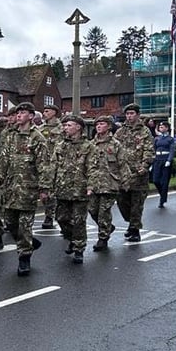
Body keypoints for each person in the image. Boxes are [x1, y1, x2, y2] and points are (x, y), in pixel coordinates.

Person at [0, 102, 52, 274]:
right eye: (18, 112)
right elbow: (2, 163)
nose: (19, 115)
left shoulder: (37, 138)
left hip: (27, 190)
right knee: (10, 223)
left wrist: (44, 189)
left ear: (30, 116)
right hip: (10, 189)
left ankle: (24, 258)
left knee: (24, 226)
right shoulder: (10, 135)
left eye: (23, 113)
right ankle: (29, 243)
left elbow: (44, 165)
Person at [51, 115, 95, 263]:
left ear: (78, 127)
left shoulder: (88, 146)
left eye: (69, 125)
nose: (65, 128)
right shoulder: (60, 145)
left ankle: (79, 248)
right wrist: (48, 184)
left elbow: (92, 168)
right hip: (62, 188)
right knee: (61, 219)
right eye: (64, 125)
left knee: (79, 221)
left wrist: (90, 186)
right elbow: (53, 166)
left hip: (79, 190)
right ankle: (72, 239)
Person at [87, 116, 130, 251]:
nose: (99, 126)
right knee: (92, 210)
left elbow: (123, 164)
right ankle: (108, 227)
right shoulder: (90, 144)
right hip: (93, 184)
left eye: (102, 124)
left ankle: (103, 238)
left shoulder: (115, 144)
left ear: (109, 126)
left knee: (104, 212)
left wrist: (125, 182)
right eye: (97, 124)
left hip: (110, 183)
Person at [114, 103, 154, 240]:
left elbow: (148, 150)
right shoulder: (120, 131)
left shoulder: (145, 131)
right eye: (127, 114)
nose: (129, 116)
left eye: (132, 113)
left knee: (136, 203)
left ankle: (135, 229)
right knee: (122, 201)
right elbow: (114, 148)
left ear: (137, 115)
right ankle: (131, 223)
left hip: (138, 173)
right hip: (122, 173)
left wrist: (145, 165)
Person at [39, 103, 63, 229]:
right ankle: (49, 213)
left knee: (54, 192)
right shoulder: (40, 128)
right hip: (43, 164)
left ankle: (50, 216)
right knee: (44, 192)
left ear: (54, 112)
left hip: (57, 165)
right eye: (44, 111)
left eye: (47, 111)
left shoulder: (62, 129)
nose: (44, 113)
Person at [152, 121, 176, 208]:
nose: (160, 128)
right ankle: (163, 195)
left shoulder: (170, 139)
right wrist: (152, 162)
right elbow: (153, 150)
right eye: (160, 127)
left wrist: (169, 160)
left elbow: (172, 150)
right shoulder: (157, 139)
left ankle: (162, 200)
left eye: (162, 127)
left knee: (164, 182)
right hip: (157, 160)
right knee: (155, 180)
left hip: (165, 160)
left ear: (167, 128)